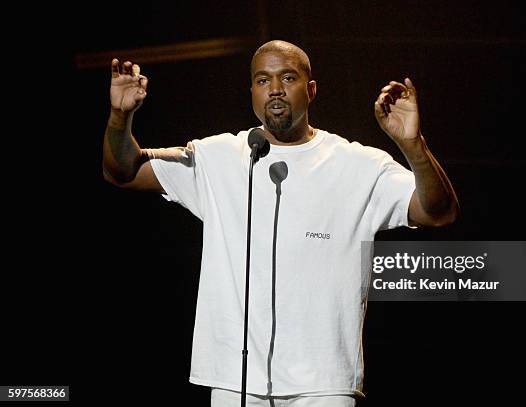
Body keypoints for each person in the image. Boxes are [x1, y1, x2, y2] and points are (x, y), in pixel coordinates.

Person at [103, 40, 459, 406]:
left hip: (324, 385)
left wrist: (414, 147)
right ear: (252, 92)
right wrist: (120, 118)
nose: (274, 88)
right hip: (234, 381)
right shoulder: (217, 157)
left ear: (311, 90)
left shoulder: (358, 164)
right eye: (262, 80)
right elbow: (123, 172)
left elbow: (438, 211)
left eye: (287, 77)